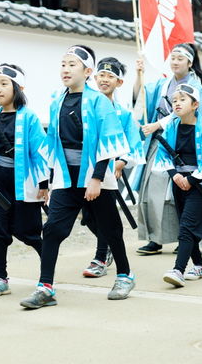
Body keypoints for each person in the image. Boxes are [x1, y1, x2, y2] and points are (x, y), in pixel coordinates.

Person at [19, 45, 135, 309]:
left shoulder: (98, 101)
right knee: (52, 229)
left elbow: (108, 141)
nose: (65, 69)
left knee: (110, 230)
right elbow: (52, 142)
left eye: (72, 65)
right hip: (65, 177)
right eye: (63, 64)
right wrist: (47, 181)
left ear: (87, 71)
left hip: (97, 177)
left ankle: (125, 275)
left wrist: (95, 179)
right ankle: (45, 287)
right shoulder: (57, 100)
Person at [0, 64, 49, 297]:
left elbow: (40, 151)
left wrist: (44, 184)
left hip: (24, 185)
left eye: (4, 83)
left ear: (18, 88)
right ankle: (0, 279)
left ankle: (47, 274)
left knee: (29, 232)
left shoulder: (29, 118)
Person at [132, 42, 202, 255]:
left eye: (180, 58)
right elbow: (141, 98)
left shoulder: (195, 87)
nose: (175, 62)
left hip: (184, 141)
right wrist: (138, 75)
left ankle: (190, 239)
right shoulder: (161, 85)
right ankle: (155, 238)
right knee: (152, 190)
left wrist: (158, 124)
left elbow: (187, 112)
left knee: (187, 191)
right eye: (173, 58)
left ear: (189, 62)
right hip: (160, 143)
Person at [153, 84, 202, 287]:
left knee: (186, 226)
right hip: (178, 182)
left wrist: (191, 180)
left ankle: (178, 270)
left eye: (182, 99)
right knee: (186, 225)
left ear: (195, 104)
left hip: (200, 185)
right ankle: (199, 264)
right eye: (174, 100)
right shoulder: (172, 127)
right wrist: (175, 175)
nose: (177, 103)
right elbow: (163, 154)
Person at [80, 57, 145, 278]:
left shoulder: (124, 114)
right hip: (84, 168)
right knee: (88, 216)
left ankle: (100, 257)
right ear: (94, 77)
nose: (104, 80)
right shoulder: (84, 105)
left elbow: (134, 143)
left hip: (108, 171)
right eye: (101, 75)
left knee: (104, 215)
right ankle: (107, 247)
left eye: (110, 76)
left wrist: (121, 162)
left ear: (119, 82)